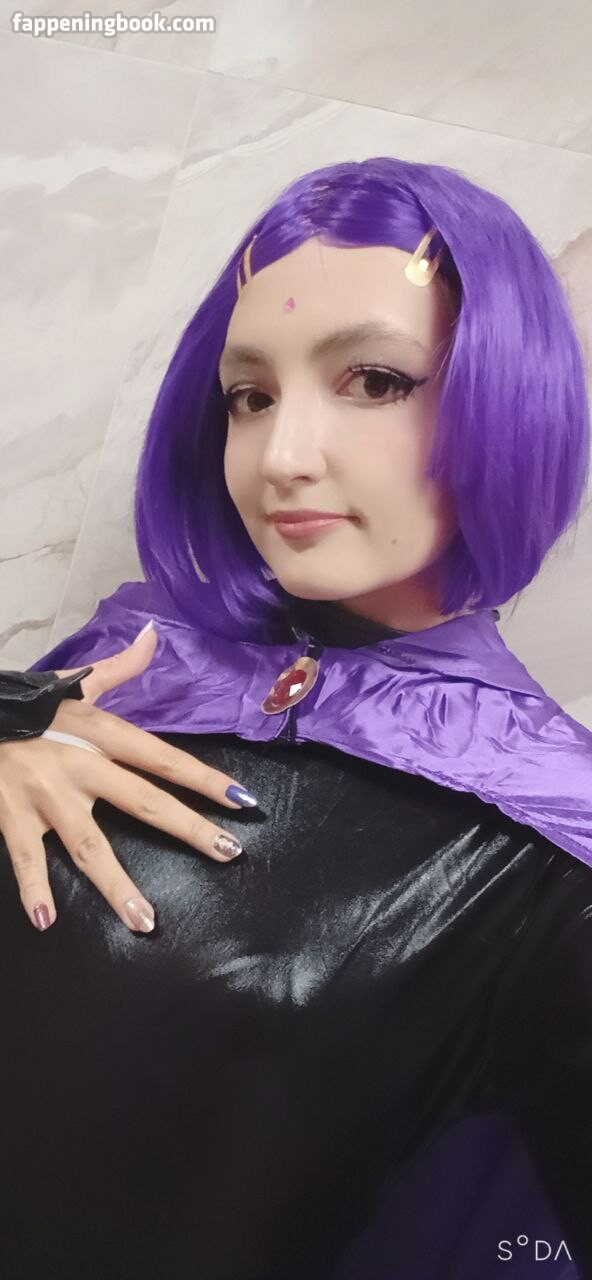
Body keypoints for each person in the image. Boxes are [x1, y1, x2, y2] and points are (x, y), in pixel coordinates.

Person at [0, 155, 591, 1280]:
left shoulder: (545, 842)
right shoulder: (126, 657)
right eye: (250, 396)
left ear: (510, 395)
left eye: (373, 380)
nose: (280, 457)